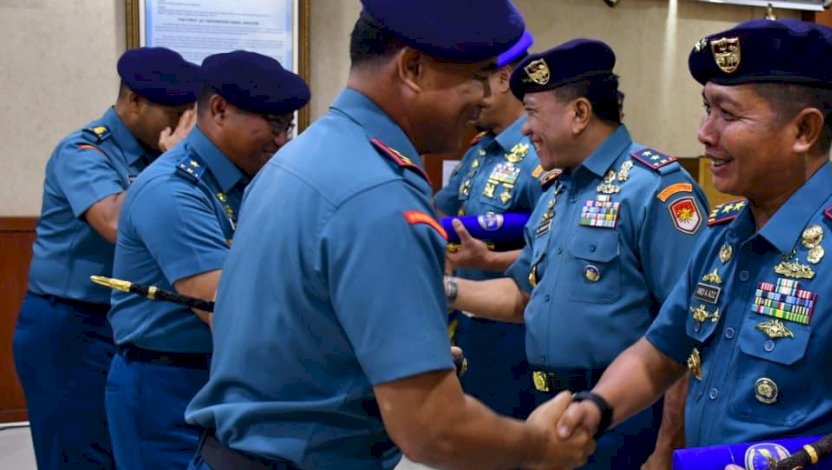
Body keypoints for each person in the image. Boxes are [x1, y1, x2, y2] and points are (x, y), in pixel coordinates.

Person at [555, 20, 832, 470]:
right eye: (706, 109)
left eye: (727, 114)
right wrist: (597, 408)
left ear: (803, 130)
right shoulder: (721, 235)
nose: (704, 132)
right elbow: (661, 352)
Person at [184, 2, 594, 469]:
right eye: (476, 76)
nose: (484, 96)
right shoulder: (380, 195)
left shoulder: (300, 159)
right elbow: (432, 430)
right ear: (412, 68)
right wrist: (538, 446)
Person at [448, 38, 708, 469]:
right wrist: (446, 290)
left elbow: (686, 332)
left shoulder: (655, 189)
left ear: (580, 113)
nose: (525, 128)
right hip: (547, 405)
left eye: (532, 113)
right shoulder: (558, 190)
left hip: (625, 420)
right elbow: (524, 296)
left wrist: (667, 449)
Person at [105, 50, 309, 470]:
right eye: (272, 125)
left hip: (225, 377)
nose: (281, 140)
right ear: (218, 110)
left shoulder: (249, 181)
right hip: (167, 383)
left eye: (287, 126)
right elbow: (225, 308)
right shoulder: (173, 189)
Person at [12, 46, 199, 470]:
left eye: (191, 111)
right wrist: (173, 162)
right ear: (134, 101)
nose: (184, 124)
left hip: (131, 328)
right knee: (77, 454)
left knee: (126, 453)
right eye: (175, 111)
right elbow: (115, 222)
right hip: (70, 324)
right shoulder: (83, 151)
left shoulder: (160, 154)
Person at [432, 30, 543, 421]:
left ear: (505, 78)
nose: (472, 95)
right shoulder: (480, 150)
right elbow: (440, 214)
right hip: (468, 324)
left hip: (515, 330)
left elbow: (551, 246)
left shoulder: (540, 154)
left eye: (479, 80)